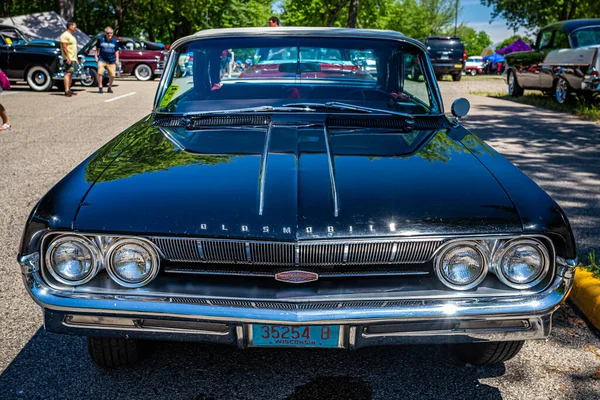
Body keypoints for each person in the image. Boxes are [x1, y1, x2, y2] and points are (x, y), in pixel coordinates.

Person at [95, 27, 120, 93]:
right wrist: (96, 56)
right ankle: (100, 87)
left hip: (111, 60)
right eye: (108, 33)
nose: (109, 34)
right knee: (100, 72)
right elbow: (97, 48)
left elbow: (117, 51)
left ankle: (109, 87)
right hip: (102, 59)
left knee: (112, 75)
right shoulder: (101, 39)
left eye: (111, 33)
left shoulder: (115, 41)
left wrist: (117, 60)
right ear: (105, 33)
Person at [60, 21, 79, 97]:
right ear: (70, 26)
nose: (76, 28)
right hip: (69, 58)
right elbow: (64, 47)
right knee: (68, 73)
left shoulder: (71, 36)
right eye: (75, 26)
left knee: (70, 74)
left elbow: (73, 48)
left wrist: (76, 58)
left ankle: (69, 90)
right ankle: (66, 91)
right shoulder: (64, 35)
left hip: (73, 58)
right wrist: (68, 57)